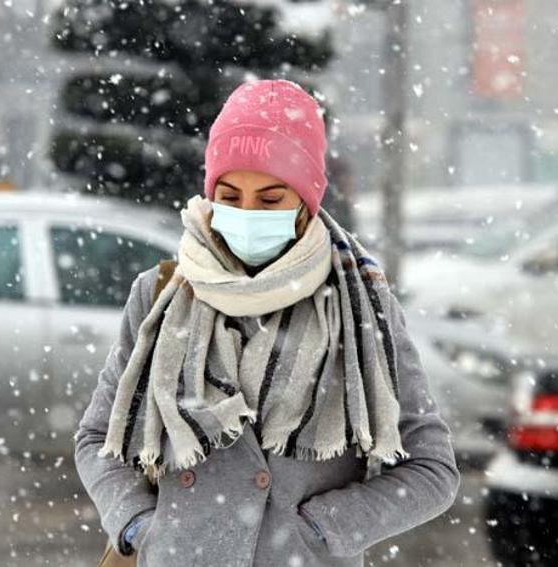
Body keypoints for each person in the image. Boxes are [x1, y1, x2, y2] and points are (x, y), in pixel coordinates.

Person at [74, 78, 460, 567]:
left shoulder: (360, 304)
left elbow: (431, 470)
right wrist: (138, 527)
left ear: (305, 202)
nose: (247, 214)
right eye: (230, 196)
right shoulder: (161, 295)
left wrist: (320, 530)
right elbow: (97, 440)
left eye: (271, 199)